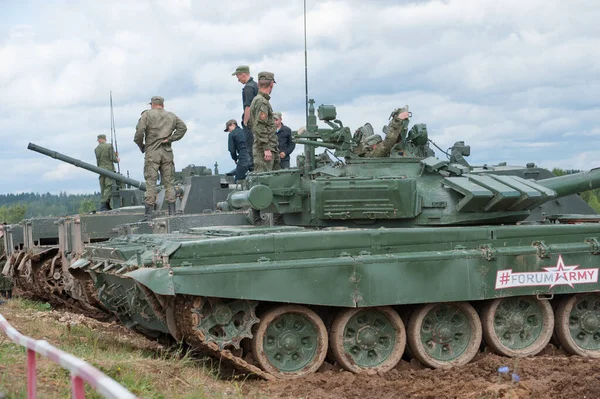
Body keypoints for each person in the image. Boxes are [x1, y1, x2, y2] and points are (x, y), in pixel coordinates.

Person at [134, 96, 187, 220]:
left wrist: (142, 146)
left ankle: (148, 215)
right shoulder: (171, 116)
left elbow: (139, 133)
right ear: (162, 105)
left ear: (152, 104)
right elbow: (183, 128)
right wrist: (170, 139)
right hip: (167, 152)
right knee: (169, 183)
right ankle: (172, 213)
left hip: (152, 152)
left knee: (151, 182)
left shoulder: (146, 115)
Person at [249, 71, 284, 225]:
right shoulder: (262, 102)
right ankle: (257, 219)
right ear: (271, 85)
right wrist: (266, 148)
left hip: (269, 148)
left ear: (258, 84)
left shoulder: (258, 101)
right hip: (265, 149)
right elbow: (259, 126)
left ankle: (278, 218)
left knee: (274, 183)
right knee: (262, 183)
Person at [232, 65, 257, 170]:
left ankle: (253, 171)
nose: (238, 79)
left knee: (251, 149)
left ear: (244, 74)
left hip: (251, 123)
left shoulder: (248, 88)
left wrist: (245, 122)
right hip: (258, 122)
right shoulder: (256, 85)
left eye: (238, 76)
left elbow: (248, 106)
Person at [94, 134, 120, 211]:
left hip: (100, 169)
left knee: (103, 187)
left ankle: (106, 205)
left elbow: (99, 160)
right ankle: (104, 204)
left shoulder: (96, 149)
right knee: (109, 186)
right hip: (109, 169)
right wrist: (117, 158)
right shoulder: (109, 146)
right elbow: (113, 159)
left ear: (99, 140)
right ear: (105, 139)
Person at [224, 119, 251, 185]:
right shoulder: (245, 131)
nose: (228, 131)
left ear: (233, 125)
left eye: (228, 128)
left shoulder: (232, 134)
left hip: (243, 158)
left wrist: (235, 159)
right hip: (252, 157)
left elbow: (232, 150)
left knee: (239, 181)